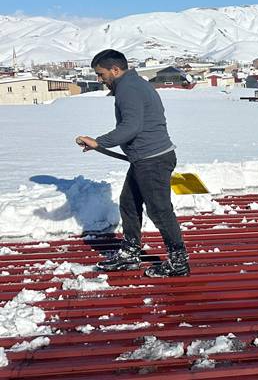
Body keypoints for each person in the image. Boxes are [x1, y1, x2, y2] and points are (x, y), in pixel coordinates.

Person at [75, 49, 190, 277]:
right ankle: (130, 253)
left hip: (153, 160)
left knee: (159, 210)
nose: (99, 79)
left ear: (115, 70)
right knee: (129, 203)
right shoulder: (135, 83)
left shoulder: (128, 88)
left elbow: (130, 128)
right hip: (145, 158)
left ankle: (179, 261)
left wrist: (99, 142)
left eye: (101, 74)